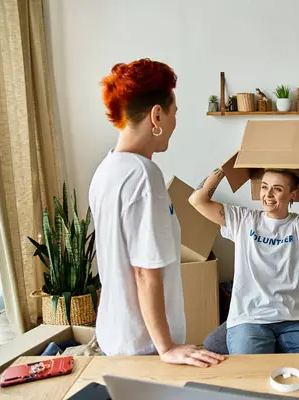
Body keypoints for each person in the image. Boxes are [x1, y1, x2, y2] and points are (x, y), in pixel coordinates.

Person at [88, 58, 224, 367]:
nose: (175, 122)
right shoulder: (143, 175)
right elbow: (144, 270)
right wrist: (166, 347)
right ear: (156, 115)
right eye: (174, 113)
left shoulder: (107, 169)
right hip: (143, 345)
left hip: (114, 332)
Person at [189, 141, 299, 354]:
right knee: (252, 378)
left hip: (293, 321)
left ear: (292, 195)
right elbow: (197, 199)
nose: (268, 195)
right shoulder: (243, 220)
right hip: (249, 319)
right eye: (264, 187)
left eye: (277, 189)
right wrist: (231, 163)